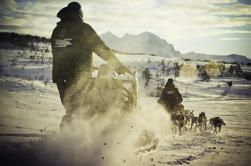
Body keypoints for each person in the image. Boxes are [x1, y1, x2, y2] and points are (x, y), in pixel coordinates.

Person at [51, 2, 132, 127]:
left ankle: (68, 139)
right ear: (79, 13)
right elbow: (101, 49)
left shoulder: (57, 30)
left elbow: (63, 54)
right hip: (79, 77)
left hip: (61, 79)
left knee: (73, 110)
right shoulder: (83, 28)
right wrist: (119, 67)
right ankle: (92, 139)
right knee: (87, 108)